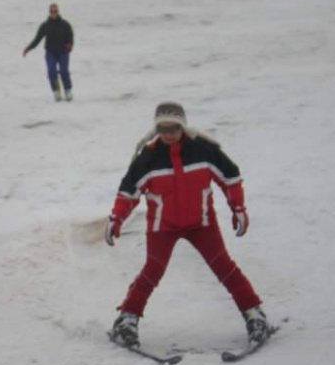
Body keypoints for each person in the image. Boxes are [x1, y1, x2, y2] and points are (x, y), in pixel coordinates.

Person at [105, 102, 272, 348]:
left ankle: (255, 316)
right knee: (152, 270)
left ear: (183, 126)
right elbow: (128, 192)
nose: (169, 134)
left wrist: (238, 208)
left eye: (174, 128)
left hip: (201, 223)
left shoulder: (203, 150)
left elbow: (230, 177)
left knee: (224, 266)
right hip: (163, 225)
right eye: (162, 129)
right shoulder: (148, 158)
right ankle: (126, 321)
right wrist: (116, 219)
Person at [23, 3, 74, 102]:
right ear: (49, 12)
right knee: (52, 71)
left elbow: (70, 36)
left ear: (58, 12)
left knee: (64, 71)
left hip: (63, 53)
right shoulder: (45, 26)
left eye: (55, 11)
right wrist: (28, 48)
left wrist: (69, 45)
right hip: (50, 53)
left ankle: (68, 90)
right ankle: (56, 91)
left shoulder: (65, 24)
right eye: (52, 11)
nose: (54, 13)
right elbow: (37, 39)